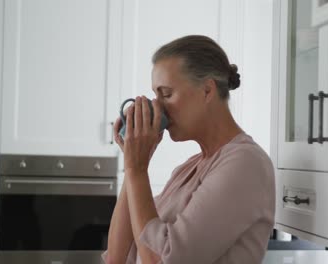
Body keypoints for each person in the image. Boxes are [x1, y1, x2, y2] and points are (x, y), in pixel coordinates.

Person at [103, 35, 275, 264]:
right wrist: (131, 161)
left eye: (166, 94)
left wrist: (137, 169)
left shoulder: (245, 164)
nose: (158, 107)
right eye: (156, 96)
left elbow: (161, 261)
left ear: (207, 90)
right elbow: (117, 257)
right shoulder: (188, 169)